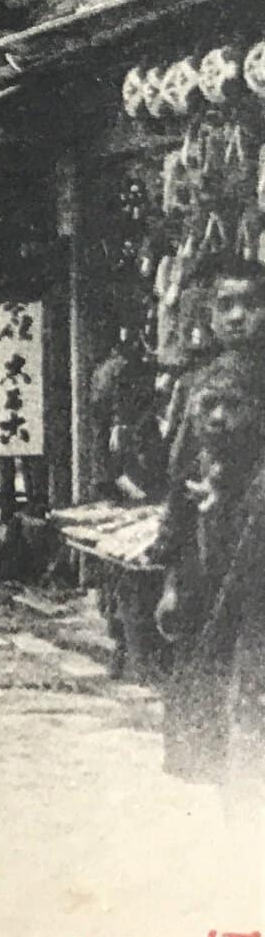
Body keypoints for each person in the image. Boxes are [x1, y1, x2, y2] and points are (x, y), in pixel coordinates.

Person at [153, 262, 265, 786]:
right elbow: (179, 482)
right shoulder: (199, 381)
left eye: (251, 303)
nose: (239, 316)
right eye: (226, 305)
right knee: (208, 689)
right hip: (208, 559)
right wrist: (172, 576)